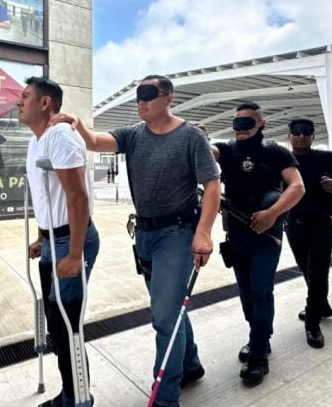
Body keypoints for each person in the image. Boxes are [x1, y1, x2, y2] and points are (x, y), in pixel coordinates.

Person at [51, 75, 220, 407]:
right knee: (170, 312)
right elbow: (97, 142)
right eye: (137, 95)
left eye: (148, 94)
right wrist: (78, 124)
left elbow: (212, 185)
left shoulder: (190, 137)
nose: (140, 101)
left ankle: (165, 398)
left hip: (177, 233)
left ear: (168, 98)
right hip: (144, 234)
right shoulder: (134, 135)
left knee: (164, 318)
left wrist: (203, 232)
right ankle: (190, 365)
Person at [19, 77, 100, 407]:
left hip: (72, 240)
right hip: (53, 239)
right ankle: (70, 392)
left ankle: (78, 398)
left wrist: (75, 254)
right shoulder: (36, 141)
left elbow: (77, 198)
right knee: (55, 321)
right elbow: (45, 195)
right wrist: (40, 236)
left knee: (67, 326)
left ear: (45, 103)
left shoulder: (61, 137)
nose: (18, 102)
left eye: (25, 97)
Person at [210, 104, 303, 384]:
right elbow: (207, 152)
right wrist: (194, 137)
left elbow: (297, 187)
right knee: (247, 294)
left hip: (267, 233)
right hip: (237, 233)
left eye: (247, 122)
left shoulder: (276, 152)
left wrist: (272, 214)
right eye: (236, 123)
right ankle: (259, 336)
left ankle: (259, 354)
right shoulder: (225, 150)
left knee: (261, 290)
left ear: (262, 122)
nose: (240, 129)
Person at [284, 119, 332, 350]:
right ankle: (321, 304)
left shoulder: (327, 158)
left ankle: (312, 323)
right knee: (306, 270)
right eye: (297, 133)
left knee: (318, 273)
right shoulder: (283, 160)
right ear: (289, 136)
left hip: (321, 224)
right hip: (293, 224)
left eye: (306, 133)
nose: (301, 136)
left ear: (313, 137)